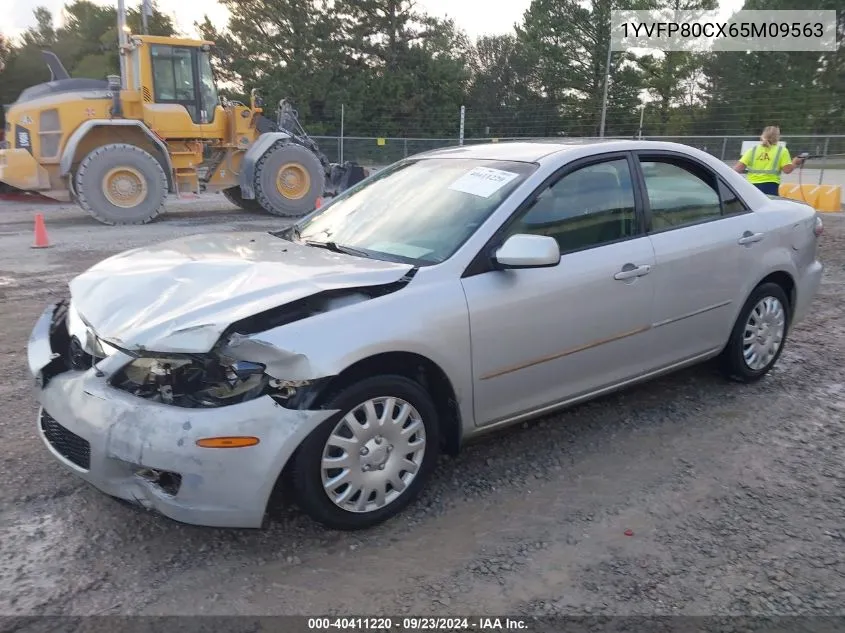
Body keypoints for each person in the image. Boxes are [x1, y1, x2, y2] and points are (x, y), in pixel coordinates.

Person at [734, 126, 804, 195]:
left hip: (751, 186)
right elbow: (787, 170)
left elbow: (737, 169)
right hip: (770, 186)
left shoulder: (752, 150)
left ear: (763, 135)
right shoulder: (782, 151)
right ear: (777, 137)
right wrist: (795, 162)